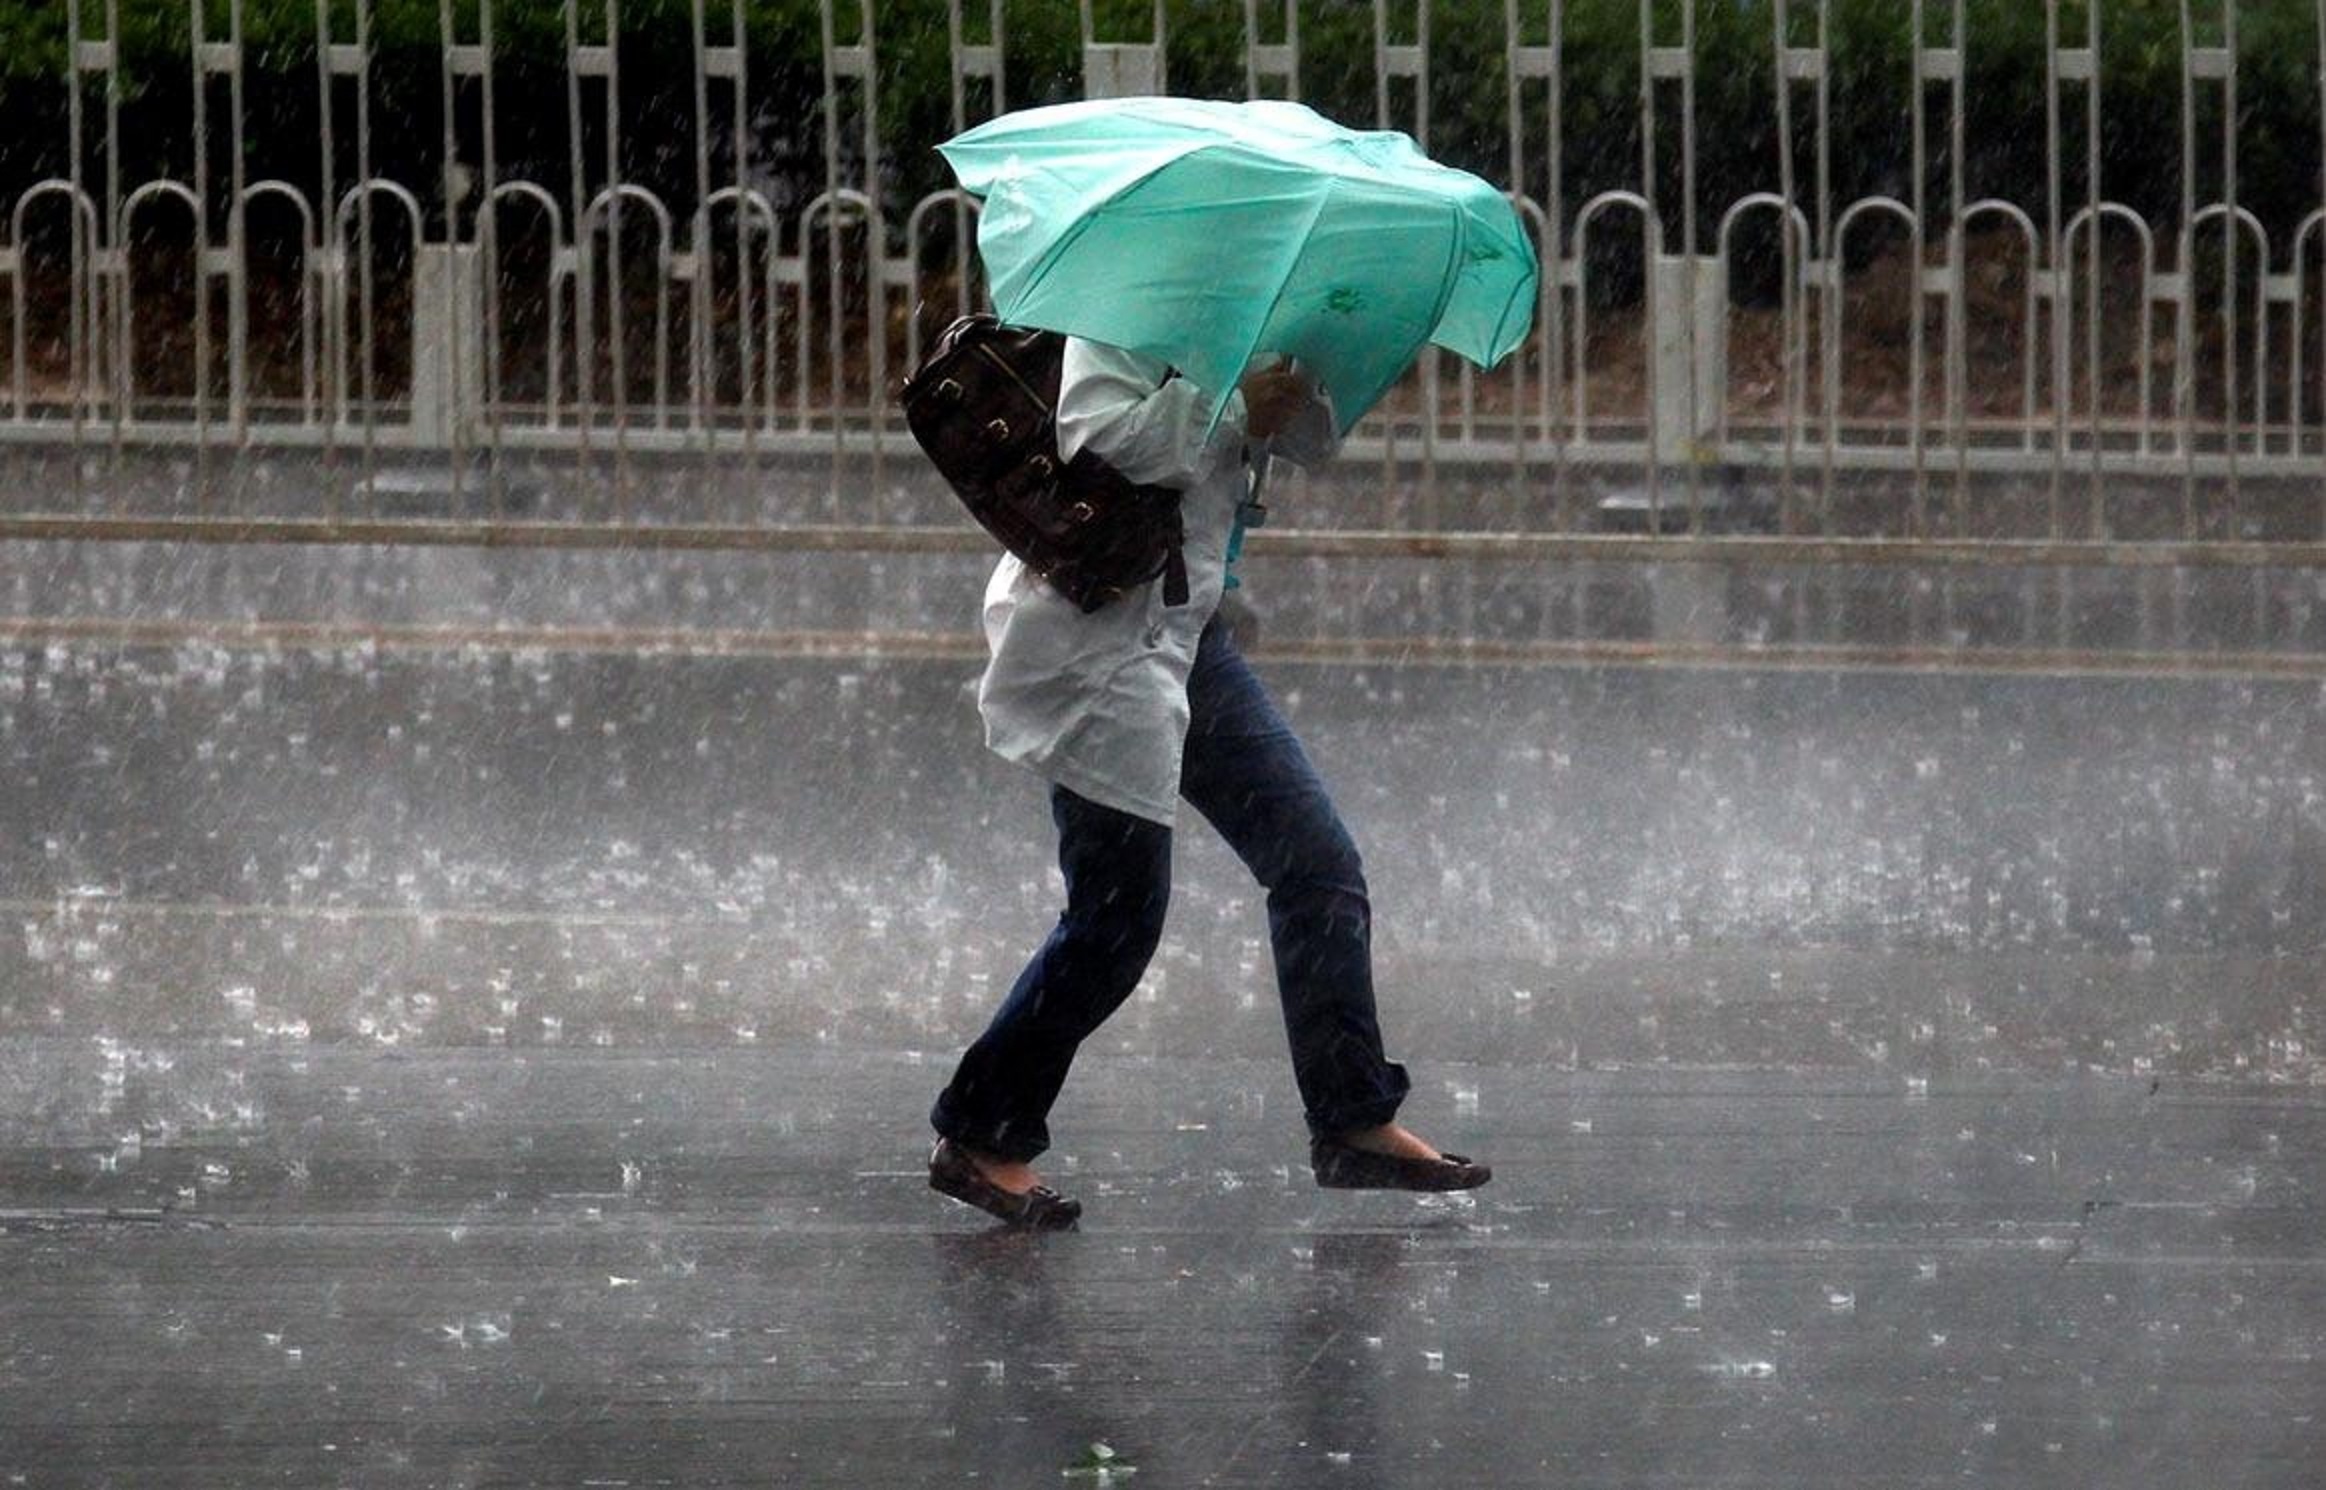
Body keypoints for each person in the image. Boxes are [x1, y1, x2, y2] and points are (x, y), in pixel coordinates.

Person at [927, 335, 1490, 1228]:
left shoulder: (1253, 304)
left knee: (1316, 864)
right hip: (1102, 638)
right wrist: (1230, 408)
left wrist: (1299, 379)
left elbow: (1305, 443)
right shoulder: (1123, 303)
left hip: (1190, 638)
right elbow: (1094, 435)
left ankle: (1352, 1118)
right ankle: (981, 1131)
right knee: (1115, 921)